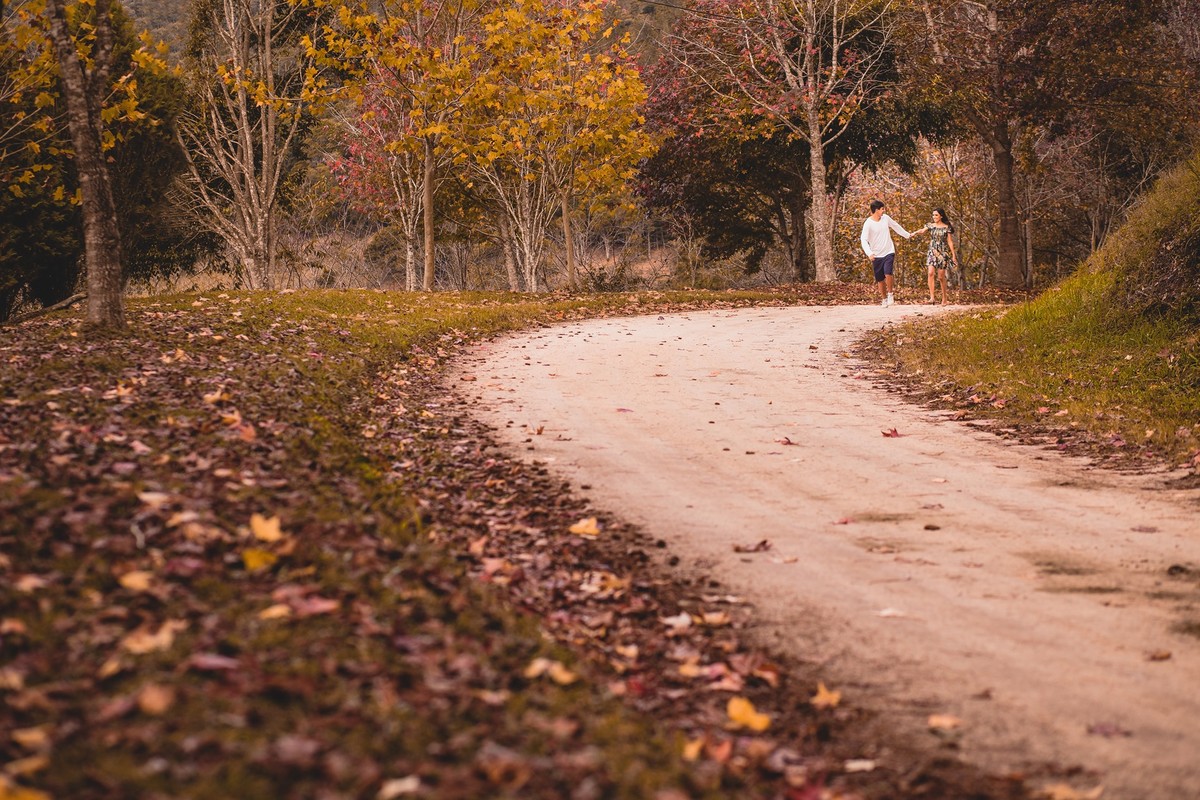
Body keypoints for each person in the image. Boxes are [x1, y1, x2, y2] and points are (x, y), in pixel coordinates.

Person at [860, 199, 913, 307]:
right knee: (880, 279)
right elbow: (863, 240)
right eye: (882, 209)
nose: (884, 211)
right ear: (876, 210)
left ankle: (890, 294)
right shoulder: (868, 223)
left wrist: (907, 235)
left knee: (888, 272)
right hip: (876, 254)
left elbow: (896, 226)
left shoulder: (886, 219)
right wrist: (869, 253)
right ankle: (884, 299)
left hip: (889, 250)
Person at [912, 207, 959, 304]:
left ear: (941, 216)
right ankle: (932, 297)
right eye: (933, 215)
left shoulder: (946, 227)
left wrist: (953, 255)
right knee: (930, 273)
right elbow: (922, 231)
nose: (934, 217)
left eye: (936, 215)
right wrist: (914, 233)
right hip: (932, 251)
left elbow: (950, 242)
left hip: (942, 252)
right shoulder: (930, 226)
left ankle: (944, 298)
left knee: (941, 277)